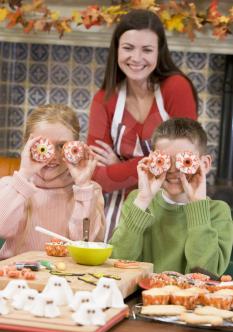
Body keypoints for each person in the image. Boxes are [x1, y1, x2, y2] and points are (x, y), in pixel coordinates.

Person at [87, 9, 198, 242]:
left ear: (159, 52)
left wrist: (120, 166)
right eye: (128, 48)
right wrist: (156, 161)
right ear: (117, 49)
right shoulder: (104, 99)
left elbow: (184, 160)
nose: (136, 58)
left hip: (169, 206)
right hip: (116, 213)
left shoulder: (176, 88)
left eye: (147, 49)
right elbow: (95, 175)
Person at [110, 118, 233, 275]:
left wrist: (197, 205)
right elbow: (117, 262)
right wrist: (143, 200)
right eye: (165, 161)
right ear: (152, 161)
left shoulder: (218, 212)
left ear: (205, 164)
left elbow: (206, 274)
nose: (173, 171)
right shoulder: (138, 201)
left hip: (192, 298)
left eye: (185, 161)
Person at [0, 104, 105, 259]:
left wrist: (82, 185)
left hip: (65, 278)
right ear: (27, 145)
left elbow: (84, 242)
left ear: (76, 147)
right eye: (42, 145)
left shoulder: (90, 190)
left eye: (62, 146)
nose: (52, 156)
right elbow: (2, 228)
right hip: (16, 278)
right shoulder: (11, 186)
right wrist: (24, 175)